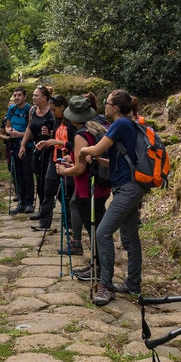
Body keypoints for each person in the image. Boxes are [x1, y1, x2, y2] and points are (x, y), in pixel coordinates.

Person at [77, 89, 144, 306]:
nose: (103, 106)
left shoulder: (120, 123)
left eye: (106, 103)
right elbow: (120, 159)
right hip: (131, 186)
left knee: (103, 233)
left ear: (115, 108)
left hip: (127, 189)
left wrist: (82, 151)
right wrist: (98, 160)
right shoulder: (129, 124)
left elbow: (96, 149)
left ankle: (105, 285)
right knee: (130, 237)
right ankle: (133, 283)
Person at [57, 96, 109, 277]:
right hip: (101, 186)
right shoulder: (98, 129)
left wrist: (63, 170)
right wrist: (72, 158)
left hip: (87, 189)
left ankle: (99, 269)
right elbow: (86, 160)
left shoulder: (81, 135)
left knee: (94, 230)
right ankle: (97, 265)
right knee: (98, 229)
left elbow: (80, 169)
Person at [34, 93, 72, 235]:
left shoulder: (71, 124)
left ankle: (69, 224)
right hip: (54, 159)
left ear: (63, 107)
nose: (53, 112)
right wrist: (47, 142)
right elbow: (54, 138)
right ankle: (44, 223)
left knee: (66, 194)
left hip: (67, 161)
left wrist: (58, 143)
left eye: (55, 109)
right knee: (48, 190)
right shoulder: (56, 121)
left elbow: (74, 143)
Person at [19, 86, 56, 223]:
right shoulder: (33, 110)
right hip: (37, 150)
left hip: (50, 150)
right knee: (39, 180)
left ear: (45, 98)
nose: (33, 98)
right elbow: (29, 127)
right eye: (33, 95)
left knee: (48, 182)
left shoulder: (52, 112)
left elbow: (58, 133)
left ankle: (48, 210)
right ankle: (42, 209)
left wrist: (49, 134)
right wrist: (23, 145)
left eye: (36, 95)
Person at [3, 87, 35, 214]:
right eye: (15, 95)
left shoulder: (30, 109)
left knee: (27, 174)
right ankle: (21, 201)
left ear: (25, 96)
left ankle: (29, 202)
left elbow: (31, 129)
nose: (16, 98)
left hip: (27, 146)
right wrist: (9, 131)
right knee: (17, 175)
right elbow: (7, 125)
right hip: (14, 146)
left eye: (19, 95)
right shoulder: (12, 109)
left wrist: (20, 135)